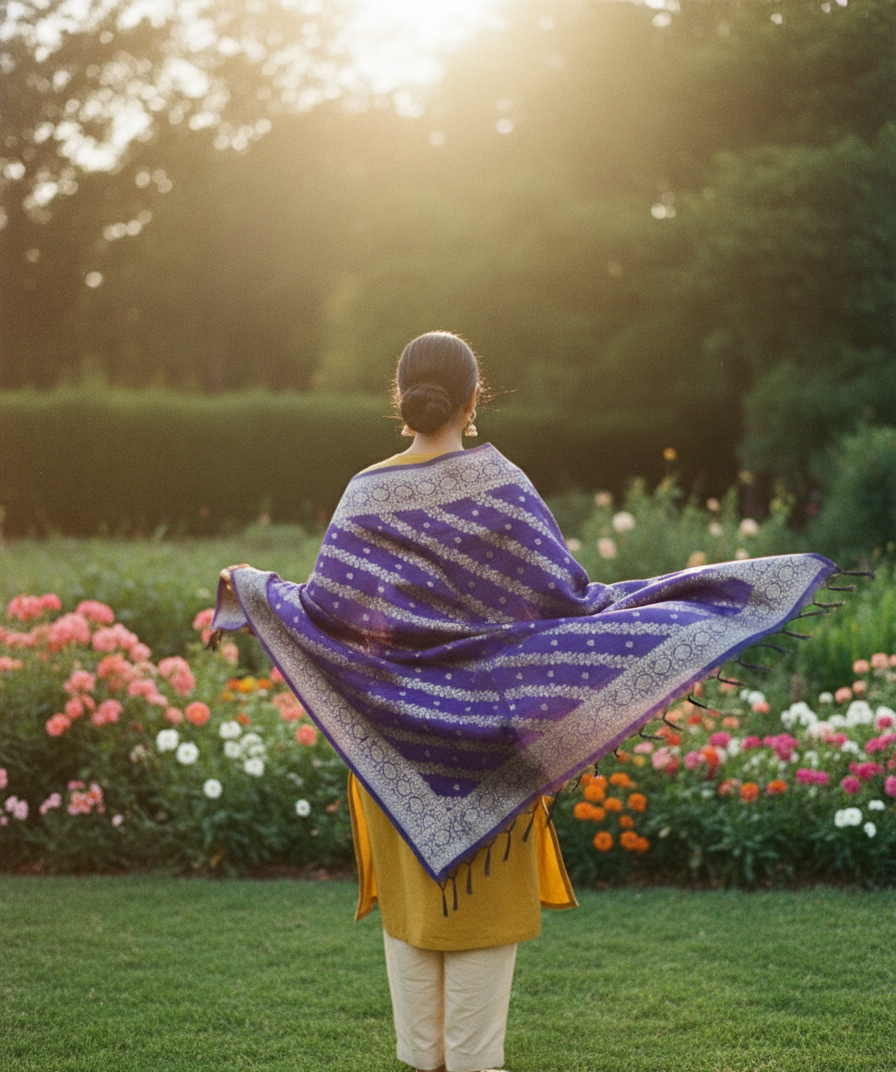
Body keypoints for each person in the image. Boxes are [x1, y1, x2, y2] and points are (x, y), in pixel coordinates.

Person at [214, 331, 839, 1072]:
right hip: (491, 752)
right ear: (472, 399)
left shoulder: (364, 495)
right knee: (478, 984)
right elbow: (566, 604)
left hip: (394, 759)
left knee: (414, 964)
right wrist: (666, 609)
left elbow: (327, 613)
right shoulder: (500, 485)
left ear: (400, 398)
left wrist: (253, 588)